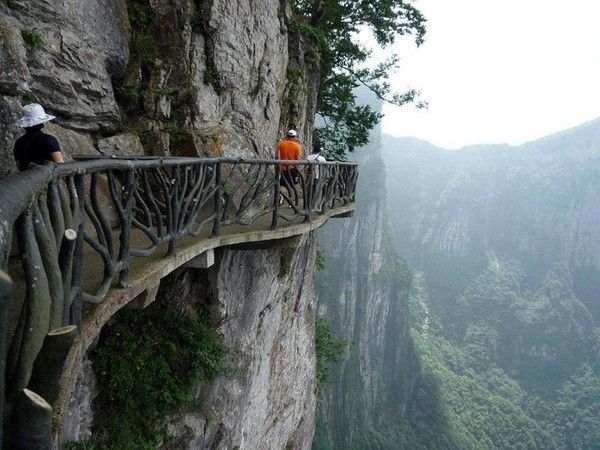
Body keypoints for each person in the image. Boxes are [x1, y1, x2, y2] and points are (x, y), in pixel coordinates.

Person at [13, 103, 64, 171]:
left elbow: (19, 167)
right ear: (42, 124)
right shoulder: (49, 140)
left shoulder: (19, 143)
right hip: (48, 179)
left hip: (28, 180)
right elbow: (60, 165)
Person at [276, 129, 302, 199]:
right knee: (291, 185)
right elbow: (298, 159)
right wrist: (298, 171)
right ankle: (290, 200)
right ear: (294, 137)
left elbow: (277, 157)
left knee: (281, 183)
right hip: (291, 168)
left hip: (281, 167)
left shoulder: (280, 144)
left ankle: (281, 196)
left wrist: (278, 166)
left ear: (287, 136)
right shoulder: (297, 146)